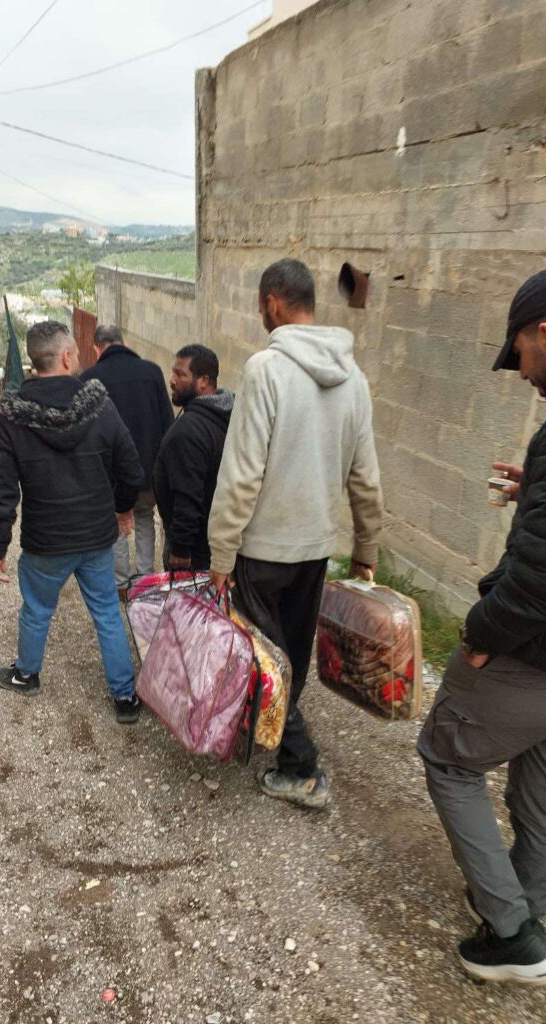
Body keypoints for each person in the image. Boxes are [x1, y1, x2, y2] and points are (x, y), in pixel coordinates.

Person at [417, 266, 546, 986]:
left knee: (447, 757)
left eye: (523, 356)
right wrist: (539, 488)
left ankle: (512, 935)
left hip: (537, 656)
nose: (524, 375)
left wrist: (479, 636)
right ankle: (524, 914)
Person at [208, 258, 383, 809]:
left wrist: (221, 553)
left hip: (263, 550)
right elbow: (366, 478)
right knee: (290, 656)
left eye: (261, 306)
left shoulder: (266, 370)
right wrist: (366, 550)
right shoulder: (354, 379)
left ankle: (302, 767)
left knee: (264, 658)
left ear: (273, 303)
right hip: (315, 550)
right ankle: (276, 732)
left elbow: (242, 474)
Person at [0, 320, 145, 723]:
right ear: (67, 356)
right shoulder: (99, 404)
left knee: (37, 609)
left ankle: (27, 674)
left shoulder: (10, 416)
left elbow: (2, 487)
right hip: (96, 536)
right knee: (107, 613)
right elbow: (131, 468)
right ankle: (125, 697)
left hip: (45, 540)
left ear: (35, 361)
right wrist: (122, 508)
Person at [81, 324, 173, 597]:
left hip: (109, 473)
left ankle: (121, 584)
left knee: (116, 524)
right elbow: (167, 422)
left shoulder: (89, 378)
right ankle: (145, 581)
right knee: (144, 519)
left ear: (97, 348)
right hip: (148, 469)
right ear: (124, 343)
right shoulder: (152, 372)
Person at [154, 344, 234, 571]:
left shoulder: (189, 431)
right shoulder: (227, 412)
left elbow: (187, 495)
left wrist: (180, 548)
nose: (172, 380)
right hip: (215, 544)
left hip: (194, 553)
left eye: (180, 374)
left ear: (203, 381)